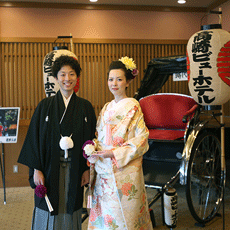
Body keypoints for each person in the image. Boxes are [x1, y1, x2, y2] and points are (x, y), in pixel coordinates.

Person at [18, 55, 96, 229]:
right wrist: (37, 169)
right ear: (55, 78)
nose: (67, 79)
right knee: (47, 205)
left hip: (75, 168)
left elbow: (91, 142)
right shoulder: (44, 106)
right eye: (62, 74)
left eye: (71, 74)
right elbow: (34, 140)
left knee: (71, 205)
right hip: (48, 167)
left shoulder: (85, 107)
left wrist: (87, 169)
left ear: (77, 77)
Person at [85, 57, 153, 229]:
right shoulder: (106, 107)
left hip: (123, 169)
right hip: (103, 170)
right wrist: (93, 147)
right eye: (110, 79)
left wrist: (114, 153)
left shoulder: (133, 107)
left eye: (119, 79)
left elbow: (142, 138)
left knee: (124, 219)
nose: (114, 83)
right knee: (105, 218)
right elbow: (99, 136)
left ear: (128, 81)